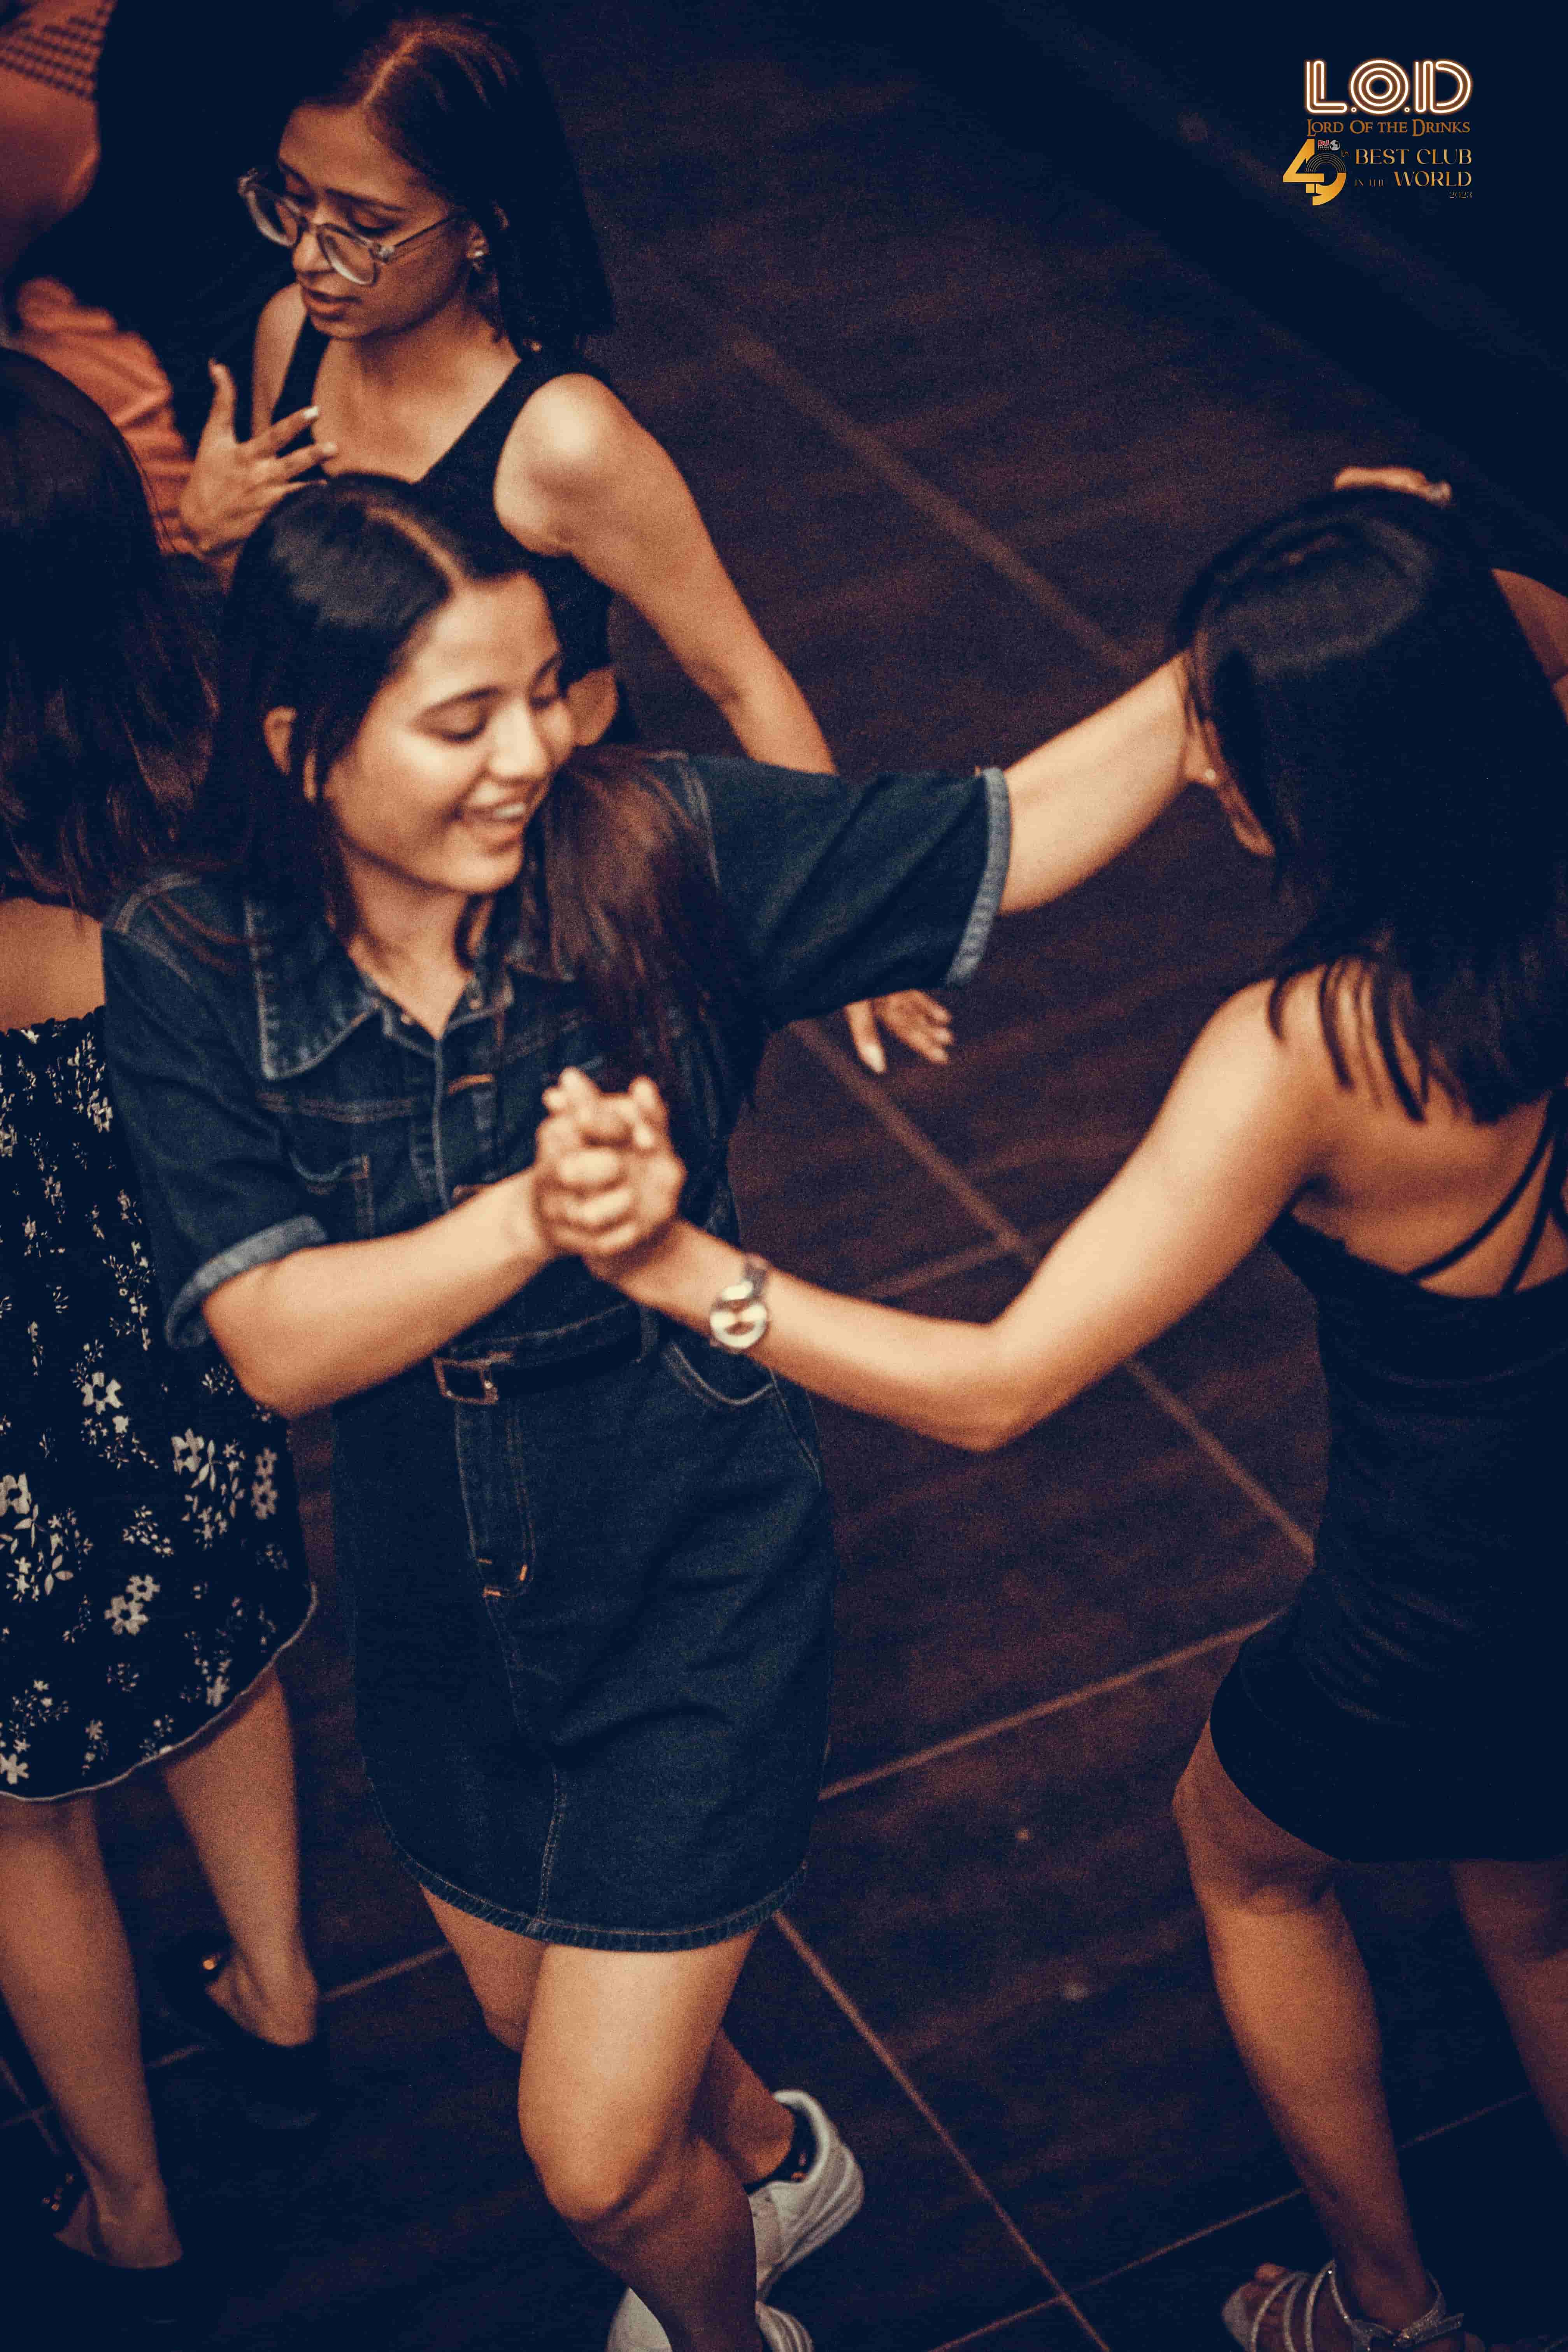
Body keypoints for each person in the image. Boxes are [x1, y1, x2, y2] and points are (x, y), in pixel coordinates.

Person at [98, 471, 1197, 2352]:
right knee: (539, 2019)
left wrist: (1219, 666)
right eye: (464, 718)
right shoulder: (188, 954)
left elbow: (1008, 836)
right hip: (441, 1597)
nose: (531, 753)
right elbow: (276, 1343)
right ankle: (775, 2162)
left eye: (545, 692)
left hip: (696, 1555)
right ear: (302, 748)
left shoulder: (656, 839)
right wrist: (539, 1215)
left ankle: (726, 2326)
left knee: (597, 2162)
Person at [533, 488, 1568, 2352]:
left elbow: (1000, 1384)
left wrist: (687, 1271)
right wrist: (1374, 565)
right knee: (1536, 1908)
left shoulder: (1312, 1052)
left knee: (1247, 1857)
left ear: (1342, 767)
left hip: (1426, 1609)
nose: (1212, 776)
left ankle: (1390, 2313)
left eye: (1235, 743)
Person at [175, 3, 947, 1074]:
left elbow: (739, 675)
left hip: (539, 856)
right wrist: (218, 548)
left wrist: (854, 918)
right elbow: (301, 629)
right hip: (365, 843)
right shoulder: (290, 338)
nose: (314, 256)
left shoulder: (563, 439)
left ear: (478, 225)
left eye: (365, 224)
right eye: (295, 203)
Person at [0, 353, 323, 2336]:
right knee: (221, 1659)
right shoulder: (204, 757)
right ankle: (280, 1994)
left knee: (20, 1813)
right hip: (195, 1322)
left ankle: (130, 2209)